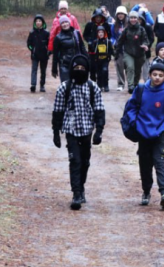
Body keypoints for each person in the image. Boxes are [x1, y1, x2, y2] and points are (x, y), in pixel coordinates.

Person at [51, 55, 106, 210]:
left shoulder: (92, 87)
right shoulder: (64, 88)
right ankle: (76, 194)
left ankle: (81, 187)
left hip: (87, 130)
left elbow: (99, 109)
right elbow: (58, 111)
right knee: (75, 161)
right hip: (71, 130)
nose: (79, 71)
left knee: (85, 162)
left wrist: (99, 131)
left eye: (82, 69)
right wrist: (56, 132)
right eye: (77, 68)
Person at [123, 63, 164, 209]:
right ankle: (146, 191)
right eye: (155, 75)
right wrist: (134, 122)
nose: (157, 78)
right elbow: (131, 106)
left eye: (161, 76)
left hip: (158, 134)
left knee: (159, 162)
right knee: (145, 164)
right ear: (149, 75)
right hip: (143, 133)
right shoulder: (141, 89)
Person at [116, 11, 150, 94]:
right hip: (128, 52)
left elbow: (146, 40)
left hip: (140, 53)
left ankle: (135, 85)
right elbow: (120, 41)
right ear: (129, 19)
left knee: (138, 70)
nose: (133, 19)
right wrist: (116, 52)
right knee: (130, 67)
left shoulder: (142, 29)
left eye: (135, 18)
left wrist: (145, 45)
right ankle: (130, 85)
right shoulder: (126, 30)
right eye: (131, 18)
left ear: (137, 19)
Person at [52, 15, 87, 82]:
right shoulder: (58, 38)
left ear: (69, 22)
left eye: (66, 22)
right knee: (66, 85)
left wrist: (87, 60)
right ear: (60, 25)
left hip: (77, 63)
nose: (65, 24)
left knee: (77, 84)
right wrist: (54, 69)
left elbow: (82, 47)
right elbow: (55, 55)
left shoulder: (76, 33)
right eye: (62, 23)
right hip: (64, 64)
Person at [27, 14, 51, 93]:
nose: (38, 22)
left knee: (43, 71)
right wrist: (32, 49)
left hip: (44, 55)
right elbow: (29, 44)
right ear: (34, 23)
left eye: (40, 21)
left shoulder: (46, 33)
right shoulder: (32, 32)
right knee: (34, 70)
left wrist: (48, 51)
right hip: (35, 55)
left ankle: (42, 85)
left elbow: (49, 44)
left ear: (43, 22)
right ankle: (33, 85)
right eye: (36, 21)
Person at [88, 26, 114, 92]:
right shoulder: (95, 42)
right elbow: (92, 51)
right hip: (97, 60)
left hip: (105, 60)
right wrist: (90, 46)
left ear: (104, 33)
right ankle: (99, 85)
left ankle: (106, 85)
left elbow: (111, 50)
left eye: (102, 32)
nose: (100, 33)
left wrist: (115, 55)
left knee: (104, 71)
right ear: (97, 33)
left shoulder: (108, 42)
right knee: (99, 73)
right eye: (99, 32)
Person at [112, 6, 128, 91]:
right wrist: (114, 42)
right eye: (119, 14)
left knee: (129, 67)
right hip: (119, 50)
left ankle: (130, 84)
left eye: (122, 14)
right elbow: (112, 37)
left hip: (128, 49)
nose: (120, 15)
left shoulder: (129, 24)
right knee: (119, 67)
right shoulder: (114, 25)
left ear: (125, 14)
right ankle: (121, 84)